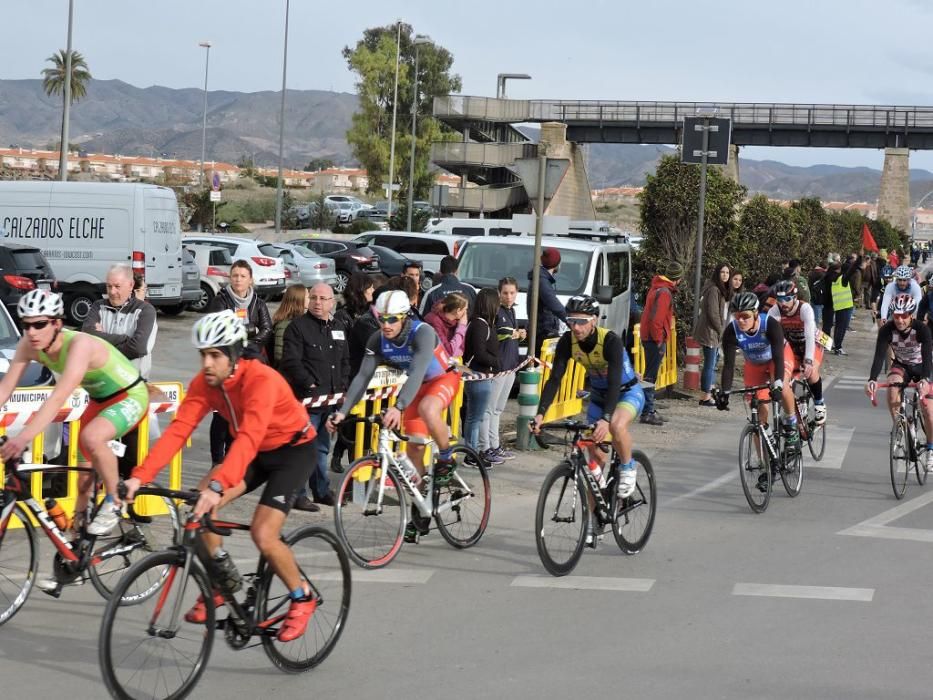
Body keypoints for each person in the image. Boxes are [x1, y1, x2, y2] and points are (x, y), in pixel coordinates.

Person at [123, 311, 318, 642]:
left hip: (292, 452)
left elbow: (249, 436)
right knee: (198, 510)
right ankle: (220, 580)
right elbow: (179, 431)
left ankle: (302, 595)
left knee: (263, 533)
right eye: (203, 355)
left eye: (215, 355)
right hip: (253, 454)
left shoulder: (261, 380)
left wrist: (217, 485)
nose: (207, 364)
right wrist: (139, 477)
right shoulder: (205, 383)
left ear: (234, 354)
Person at [0, 290, 149, 536]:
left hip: (131, 395)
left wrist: (23, 438)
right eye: (26, 325)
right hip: (99, 401)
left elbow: (59, 397)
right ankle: (79, 554)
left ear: (57, 323)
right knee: (82, 485)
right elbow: (6, 388)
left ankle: (115, 500)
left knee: (92, 437)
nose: (32, 332)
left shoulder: (78, 345)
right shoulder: (29, 345)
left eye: (39, 324)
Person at [328, 290, 460, 542]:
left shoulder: (422, 332)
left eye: (392, 319)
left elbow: (419, 371)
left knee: (428, 409)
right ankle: (421, 511)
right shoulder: (377, 340)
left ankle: (446, 458)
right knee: (414, 456)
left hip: (442, 379)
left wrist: (398, 407)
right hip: (415, 389)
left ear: (404, 317)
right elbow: (362, 378)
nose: (385, 325)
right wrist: (341, 413)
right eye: (381, 318)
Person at [531, 295, 645, 525]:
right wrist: (540, 413)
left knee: (615, 425)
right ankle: (596, 518)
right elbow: (555, 380)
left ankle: (628, 467)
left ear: (594, 320)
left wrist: (605, 419)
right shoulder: (567, 341)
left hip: (626, 393)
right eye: (571, 320)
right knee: (595, 460)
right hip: (599, 398)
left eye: (581, 321)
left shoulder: (610, 340)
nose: (576, 326)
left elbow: (614, 382)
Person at [716, 291, 798, 489]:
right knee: (758, 417)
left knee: (783, 385)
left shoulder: (769, 324)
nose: (741, 320)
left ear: (755, 314)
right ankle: (767, 465)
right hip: (754, 364)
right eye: (737, 316)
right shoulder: (731, 331)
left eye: (745, 316)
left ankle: (791, 424)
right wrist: (724, 392)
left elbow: (779, 356)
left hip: (776, 359)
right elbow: (728, 365)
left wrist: (777, 384)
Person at [279, 282, 349, 512]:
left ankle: (321, 491)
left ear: (332, 302)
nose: (318, 302)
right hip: (307, 402)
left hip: (331, 401)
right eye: (314, 298)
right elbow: (290, 361)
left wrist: (342, 387)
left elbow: (344, 362)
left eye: (323, 299)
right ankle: (297, 495)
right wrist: (309, 382)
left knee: (321, 449)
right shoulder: (297, 328)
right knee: (303, 449)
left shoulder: (338, 327)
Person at [208, 260, 273, 465]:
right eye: (235, 275)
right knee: (221, 415)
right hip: (226, 366)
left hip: (249, 364)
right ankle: (217, 461)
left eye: (242, 276)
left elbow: (267, 330)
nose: (238, 279)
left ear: (250, 279)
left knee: (240, 414)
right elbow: (219, 330)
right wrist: (248, 332)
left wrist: (245, 339)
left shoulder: (259, 303)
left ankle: (232, 457)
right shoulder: (221, 301)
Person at [866, 294, 933, 472]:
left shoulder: (921, 329)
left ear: (911, 314)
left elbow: (927, 357)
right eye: (896, 316)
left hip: (922, 367)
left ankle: (931, 450)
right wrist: (872, 379)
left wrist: (925, 379)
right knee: (892, 386)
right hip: (901, 365)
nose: (900, 320)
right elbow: (879, 356)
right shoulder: (887, 330)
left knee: (928, 410)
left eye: (904, 316)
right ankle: (900, 427)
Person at [767, 279, 827, 425]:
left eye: (787, 299)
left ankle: (819, 403)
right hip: (792, 345)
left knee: (810, 372)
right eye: (780, 299)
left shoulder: (805, 308)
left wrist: (808, 361)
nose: (783, 303)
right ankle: (796, 404)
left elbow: (809, 335)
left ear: (795, 298)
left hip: (811, 342)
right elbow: (771, 337)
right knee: (785, 376)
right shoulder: (774, 310)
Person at [479, 277, 524, 464]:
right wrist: (512, 333)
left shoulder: (511, 311)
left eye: (512, 293)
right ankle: (485, 448)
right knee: (488, 411)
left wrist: (518, 336)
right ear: (499, 293)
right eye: (505, 293)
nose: (509, 296)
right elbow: (497, 334)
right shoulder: (496, 312)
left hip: (510, 367)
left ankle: (495, 445)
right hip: (498, 369)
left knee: (497, 410)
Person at [639, 261, 682, 425]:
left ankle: (648, 408)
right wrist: (659, 340)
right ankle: (647, 411)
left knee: (649, 374)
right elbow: (656, 319)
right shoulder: (665, 292)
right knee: (650, 375)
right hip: (653, 338)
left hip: (647, 336)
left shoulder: (657, 287)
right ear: (678, 279)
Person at [462, 288, 500, 464]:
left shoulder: (482, 323)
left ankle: (473, 451)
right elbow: (479, 353)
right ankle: (472, 453)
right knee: (474, 418)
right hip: (478, 376)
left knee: (476, 416)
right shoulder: (479, 325)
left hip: (482, 375)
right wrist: (495, 363)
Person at [693, 263, 732, 407]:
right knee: (710, 364)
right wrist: (721, 331)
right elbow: (713, 313)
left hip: (712, 331)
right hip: (710, 331)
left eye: (727, 273)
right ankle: (706, 396)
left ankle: (709, 393)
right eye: (722, 272)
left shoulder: (718, 288)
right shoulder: (714, 289)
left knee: (712, 363)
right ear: (717, 273)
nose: (725, 275)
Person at [527, 246, 566, 359]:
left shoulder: (540, 278)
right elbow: (554, 304)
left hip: (541, 331)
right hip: (544, 332)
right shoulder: (542, 281)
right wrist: (571, 321)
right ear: (557, 264)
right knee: (544, 369)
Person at [821, 253, 853, 355]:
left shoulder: (826, 276)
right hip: (836, 303)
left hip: (827, 303)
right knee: (839, 326)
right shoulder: (838, 278)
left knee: (826, 325)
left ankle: (825, 345)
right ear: (837, 270)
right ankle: (837, 346)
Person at [270, 284, 308, 366]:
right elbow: (279, 356)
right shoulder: (284, 326)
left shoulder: (304, 321)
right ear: (299, 299)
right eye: (307, 296)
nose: (310, 299)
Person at [424, 291, 468, 358]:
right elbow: (449, 352)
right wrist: (461, 327)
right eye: (465, 310)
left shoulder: (455, 322)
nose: (466, 313)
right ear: (458, 311)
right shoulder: (433, 320)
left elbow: (461, 350)